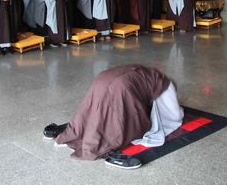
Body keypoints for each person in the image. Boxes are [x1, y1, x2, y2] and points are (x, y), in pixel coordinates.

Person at [51, 64, 183, 165]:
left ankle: (76, 134)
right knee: (118, 119)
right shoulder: (167, 85)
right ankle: (98, 142)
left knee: (93, 110)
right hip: (121, 85)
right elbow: (174, 116)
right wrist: (179, 111)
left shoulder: (149, 73)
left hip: (104, 77)